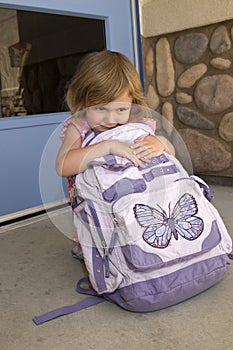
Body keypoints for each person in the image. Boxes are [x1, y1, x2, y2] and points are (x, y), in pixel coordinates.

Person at [56, 50, 175, 258]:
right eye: (100, 109)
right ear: (83, 103)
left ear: (132, 102)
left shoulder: (137, 124)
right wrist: (107, 146)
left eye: (120, 109)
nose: (110, 119)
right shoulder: (80, 126)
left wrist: (161, 143)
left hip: (134, 196)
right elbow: (63, 166)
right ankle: (90, 248)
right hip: (95, 201)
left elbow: (171, 159)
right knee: (99, 232)